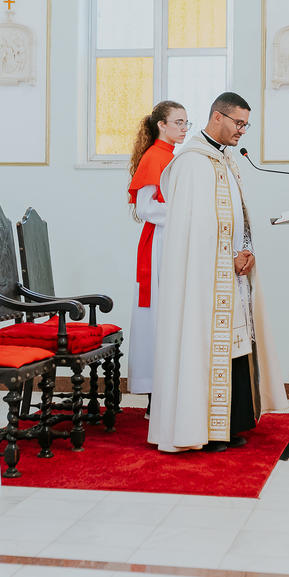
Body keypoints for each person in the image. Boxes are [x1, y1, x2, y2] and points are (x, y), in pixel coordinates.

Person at [148, 92, 288, 453]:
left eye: (246, 124)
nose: (242, 130)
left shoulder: (223, 159)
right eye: (238, 123)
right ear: (216, 118)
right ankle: (200, 429)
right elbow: (195, 230)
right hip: (203, 279)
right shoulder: (193, 163)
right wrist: (227, 257)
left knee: (235, 344)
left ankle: (231, 422)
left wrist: (245, 250)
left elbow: (233, 216)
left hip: (230, 272)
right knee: (204, 344)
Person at [126, 101, 188, 413]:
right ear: (161, 125)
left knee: (171, 313)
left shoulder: (172, 156)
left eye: (186, 123)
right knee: (157, 314)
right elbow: (145, 208)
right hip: (160, 242)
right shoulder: (154, 157)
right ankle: (155, 395)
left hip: (171, 238)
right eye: (178, 122)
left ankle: (167, 392)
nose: (184, 129)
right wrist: (186, 213)